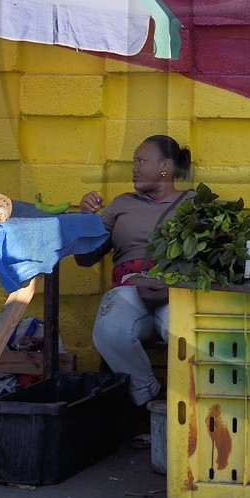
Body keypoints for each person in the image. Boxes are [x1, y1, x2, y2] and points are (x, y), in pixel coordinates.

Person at [78, 135, 193, 406]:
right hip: (129, 291)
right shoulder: (121, 205)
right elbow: (85, 258)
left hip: (176, 291)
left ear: (165, 166)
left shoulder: (196, 204)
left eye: (141, 161)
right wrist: (86, 221)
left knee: (188, 335)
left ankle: (186, 407)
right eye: (134, 161)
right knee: (110, 331)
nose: (135, 168)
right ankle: (147, 397)